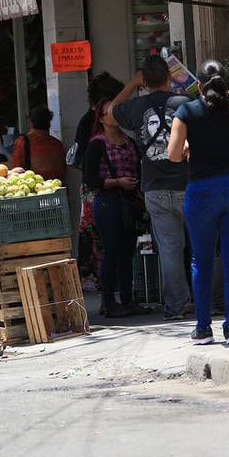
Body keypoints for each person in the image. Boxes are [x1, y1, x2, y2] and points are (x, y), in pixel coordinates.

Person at [167, 59, 229, 345]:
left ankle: (203, 328)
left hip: (202, 191)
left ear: (200, 84)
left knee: (202, 260)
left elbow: (172, 155)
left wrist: (186, 148)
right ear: (226, 84)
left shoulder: (186, 112)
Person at [111, 55, 192, 320]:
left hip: (155, 188)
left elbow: (112, 111)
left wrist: (133, 84)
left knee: (170, 250)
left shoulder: (136, 106)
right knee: (204, 245)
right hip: (188, 185)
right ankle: (212, 301)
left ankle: (175, 306)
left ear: (144, 81)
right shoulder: (186, 103)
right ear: (170, 78)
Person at [82, 98, 149, 318]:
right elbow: (90, 179)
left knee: (127, 253)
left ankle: (128, 300)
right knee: (111, 253)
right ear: (101, 119)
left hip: (128, 202)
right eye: (111, 111)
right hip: (107, 202)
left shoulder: (129, 142)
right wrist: (117, 181)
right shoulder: (97, 144)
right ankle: (108, 301)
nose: (116, 114)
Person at [75, 73, 125, 292]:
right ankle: (104, 289)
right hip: (99, 188)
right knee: (102, 239)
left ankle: (104, 285)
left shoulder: (91, 120)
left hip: (97, 188)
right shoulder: (92, 125)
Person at [11, 105, 67, 184]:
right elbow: (63, 172)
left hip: (35, 191)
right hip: (58, 190)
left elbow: (17, 171)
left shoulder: (22, 142)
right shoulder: (58, 144)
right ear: (49, 123)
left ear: (31, 122)